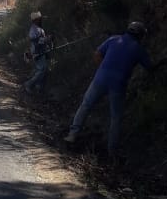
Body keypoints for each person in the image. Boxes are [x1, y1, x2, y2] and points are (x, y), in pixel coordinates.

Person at [64, 21, 152, 155]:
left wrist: (103, 69)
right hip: (118, 85)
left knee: (86, 105)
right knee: (116, 118)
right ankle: (112, 151)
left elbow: (97, 54)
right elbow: (150, 68)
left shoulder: (113, 39)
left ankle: (72, 135)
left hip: (100, 79)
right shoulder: (138, 49)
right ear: (140, 35)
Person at [23, 11, 51, 94]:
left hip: (42, 51)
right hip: (37, 52)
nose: (40, 20)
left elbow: (39, 40)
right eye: (39, 19)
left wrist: (47, 39)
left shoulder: (38, 28)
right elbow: (35, 41)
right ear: (35, 20)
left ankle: (39, 89)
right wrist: (46, 39)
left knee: (42, 70)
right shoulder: (34, 29)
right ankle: (28, 84)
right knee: (42, 70)